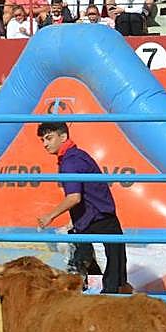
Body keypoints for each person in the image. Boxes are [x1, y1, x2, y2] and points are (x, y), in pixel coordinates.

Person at [34, 121, 129, 295]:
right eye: (43, 140)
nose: (45, 144)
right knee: (113, 263)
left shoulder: (70, 162)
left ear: (63, 137)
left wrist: (50, 216)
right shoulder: (77, 156)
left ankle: (104, 292)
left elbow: (74, 197)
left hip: (97, 217)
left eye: (49, 138)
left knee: (91, 262)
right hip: (96, 216)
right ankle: (108, 291)